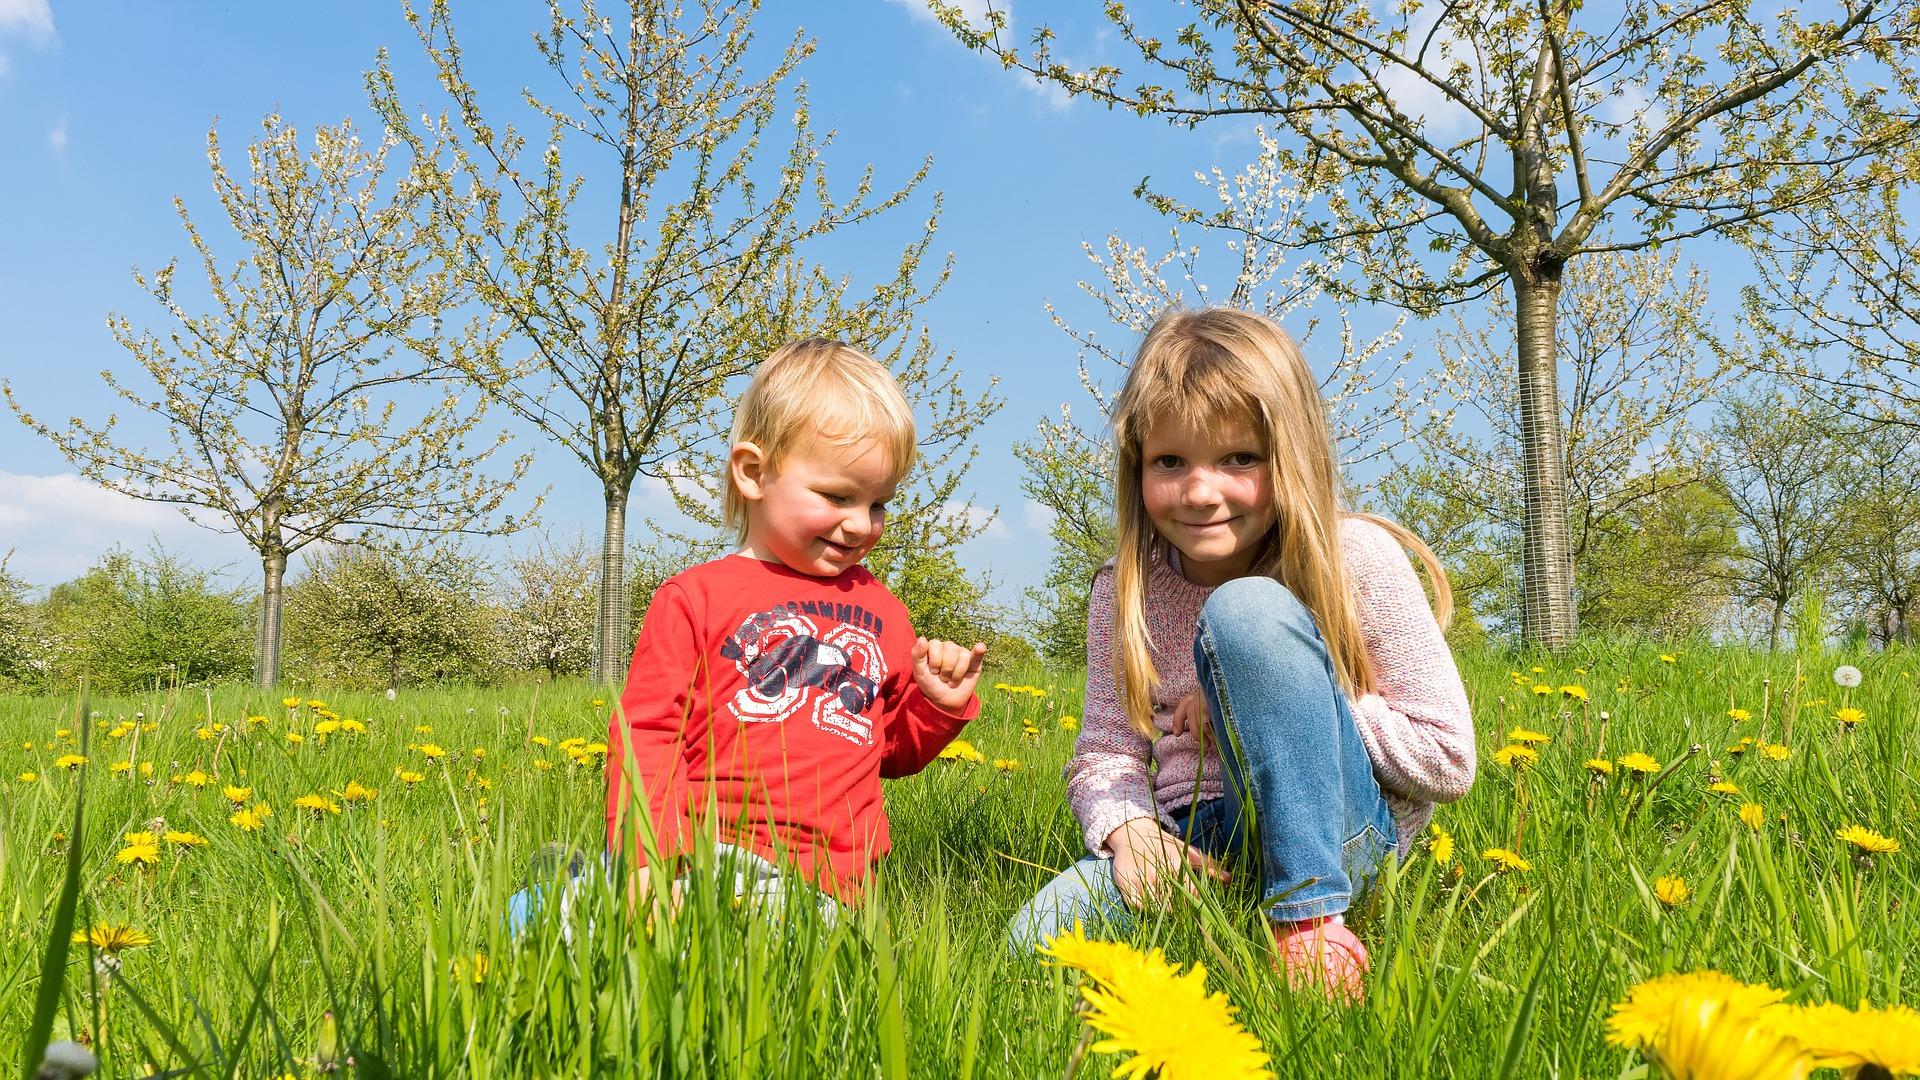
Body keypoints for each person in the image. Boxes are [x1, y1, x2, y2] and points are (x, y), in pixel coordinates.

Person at [1006, 308, 1475, 998]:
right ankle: (1229, 911)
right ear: (1138, 464)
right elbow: (1104, 751)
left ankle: (1310, 921)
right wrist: (1132, 832)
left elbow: (1447, 759)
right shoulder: (1122, 589)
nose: (1201, 492)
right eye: (1171, 461)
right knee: (1035, 945)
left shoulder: (1359, 560)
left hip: (1340, 836)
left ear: (1291, 455)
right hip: (1195, 840)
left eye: (1239, 459)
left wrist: (1274, 693)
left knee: (1247, 613)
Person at [509, 339, 986, 934]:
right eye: (837, 496)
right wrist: (649, 860)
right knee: (652, 944)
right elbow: (646, 736)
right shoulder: (695, 599)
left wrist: (938, 707)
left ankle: (579, 886)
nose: (862, 524)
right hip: (703, 854)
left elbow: (885, 750)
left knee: (788, 963)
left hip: (833, 884)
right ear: (754, 473)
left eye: (879, 503)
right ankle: (573, 894)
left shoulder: (883, 613)